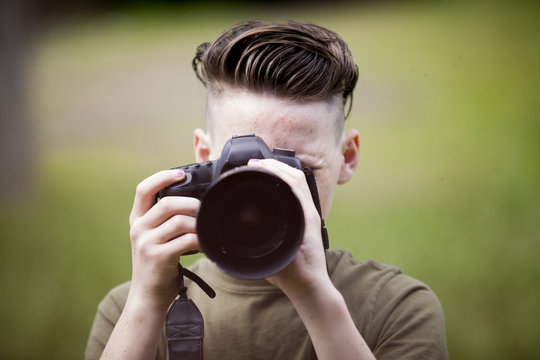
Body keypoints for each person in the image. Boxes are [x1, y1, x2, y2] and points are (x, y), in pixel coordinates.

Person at [85, 20, 448, 360]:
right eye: (242, 170)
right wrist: (147, 302)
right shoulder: (130, 311)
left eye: (298, 170)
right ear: (204, 157)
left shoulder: (396, 307)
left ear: (347, 158)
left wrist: (315, 297)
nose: (268, 193)